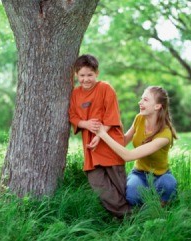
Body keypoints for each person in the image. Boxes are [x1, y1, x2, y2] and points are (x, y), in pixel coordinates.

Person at [69, 54, 131, 218]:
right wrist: (86, 124)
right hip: (91, 149)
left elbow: (113, 114)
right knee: (100, 186)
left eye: (90, 75)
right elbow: (73, 116)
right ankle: (128, 216)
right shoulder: (75, 94)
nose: (86, 79)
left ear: (97, 73)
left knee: (120, 186)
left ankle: (131, 219)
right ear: (76, 75)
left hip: (110, 145)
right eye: (82, 75)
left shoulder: (105, 88)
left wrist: (101, 135)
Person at [95, 86, 178, 207]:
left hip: (161, 175)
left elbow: (127, 156)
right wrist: (108, 128)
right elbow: (123, 142)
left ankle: (160, 208)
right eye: (141, 99)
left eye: (145, 100)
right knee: (132, 197)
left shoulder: (165, 134)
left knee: (169, 184)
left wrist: (102, 134)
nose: (140, 102)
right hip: (139, 173)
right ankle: (144, 201)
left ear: (157, 106)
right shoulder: (139, 118)